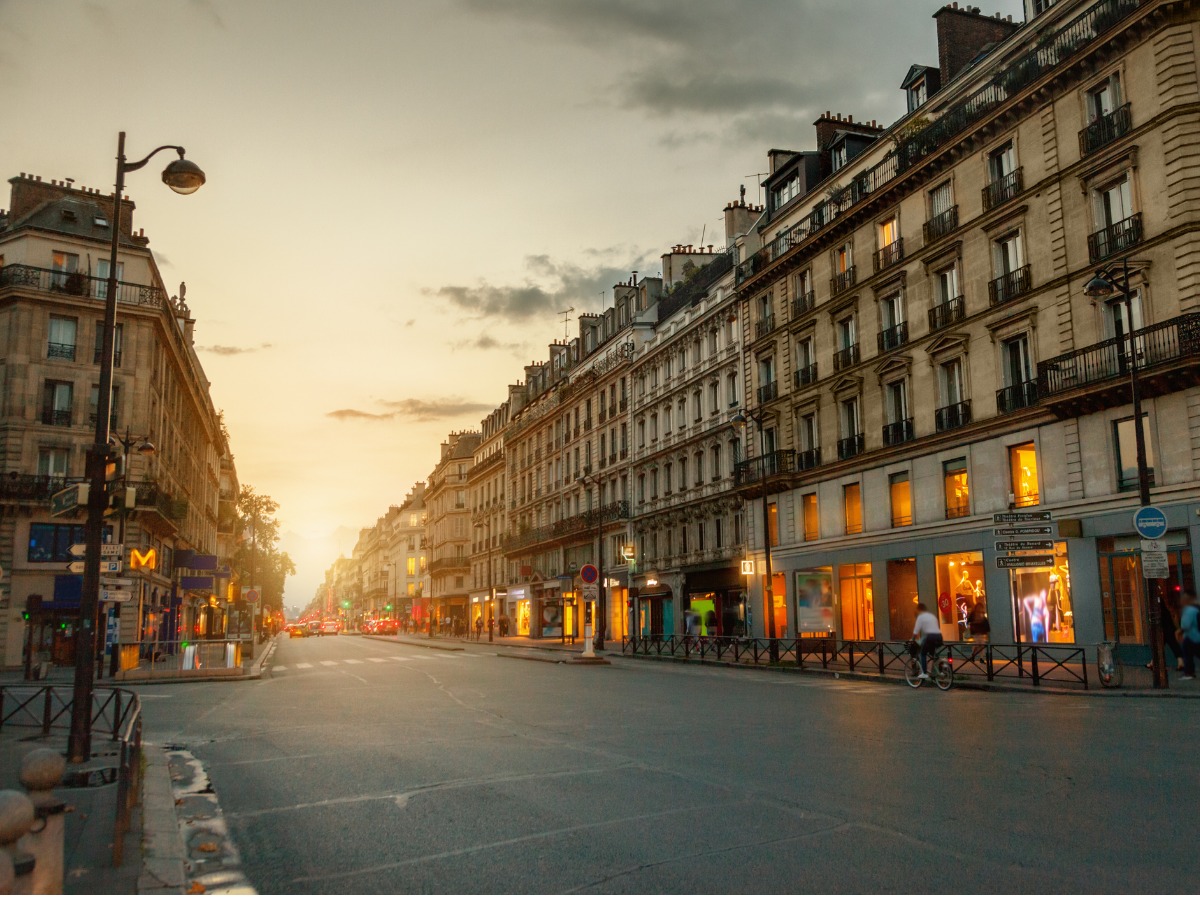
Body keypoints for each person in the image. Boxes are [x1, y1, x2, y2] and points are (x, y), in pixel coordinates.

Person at [912, 601, 944, 679]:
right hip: (939, 636)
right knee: (933, 655)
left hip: (930, 637)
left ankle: (924, 673)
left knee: (923, 653)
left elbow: (916, 631)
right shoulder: (932, 616)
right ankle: (937, 671)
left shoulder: (921, 617)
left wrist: (912, 639)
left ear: (919, 610)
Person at [1177, 589, 1200, 681]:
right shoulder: (1196, 608)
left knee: (1188, 655)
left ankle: (1189, 672)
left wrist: (1179, 632)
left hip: (1191, 636)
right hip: (1196, 636)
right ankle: (1189, 672)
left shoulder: (1189, 610)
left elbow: (1185, 625)